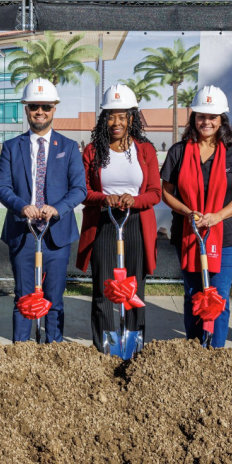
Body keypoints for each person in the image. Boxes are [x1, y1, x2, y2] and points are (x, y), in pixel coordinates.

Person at [0, 79, 86, 343]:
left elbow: (79, 189)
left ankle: (53, 351)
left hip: (57, 236)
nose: (40, 111)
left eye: (46, 106)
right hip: (23, 234)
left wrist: (57, 209)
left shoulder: (68, 147)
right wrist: (22, 206)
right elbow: (2, 187)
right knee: (24, 298)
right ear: (26, 109)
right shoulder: (12, 147)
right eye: (34, 106)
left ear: (54, 108)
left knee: (54, 300)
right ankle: (21, 353)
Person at [160, 86, 232, 348]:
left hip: (226, 237)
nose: (206, 122)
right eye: (201, 116)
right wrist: (189, 212)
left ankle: (216, 354)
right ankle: (194, 352)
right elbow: (167, 193)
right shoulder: (178, 151)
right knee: (193, 295)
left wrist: (216, 216)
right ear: (193, 118)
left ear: (222, 119)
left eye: (212, 116)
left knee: (218, 297)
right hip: (189, 233)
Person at [77, 84, 161, 349]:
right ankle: (104, 349)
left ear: (131, 119)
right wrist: (105, 198)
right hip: (105, 223)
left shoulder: (145, 151)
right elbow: (84, 191)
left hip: (135, 223)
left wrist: (135, 200)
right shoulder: (92, 151)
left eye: (122, 116)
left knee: (133, 289)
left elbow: (155, 192)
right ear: (104, 119)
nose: (116, 122)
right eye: (111, 116)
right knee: (104, 290)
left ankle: (132, 348)